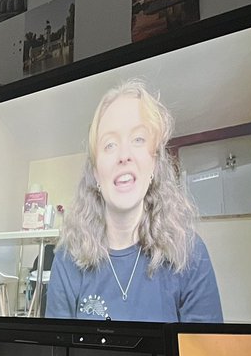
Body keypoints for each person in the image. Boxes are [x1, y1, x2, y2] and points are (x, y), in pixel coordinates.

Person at [45, 79, 222, 322]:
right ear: (96, 172)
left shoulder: (190, 253)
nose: (124, 155)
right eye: (109, 144)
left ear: (154, 162)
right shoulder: (68, 258)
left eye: (138, 139)